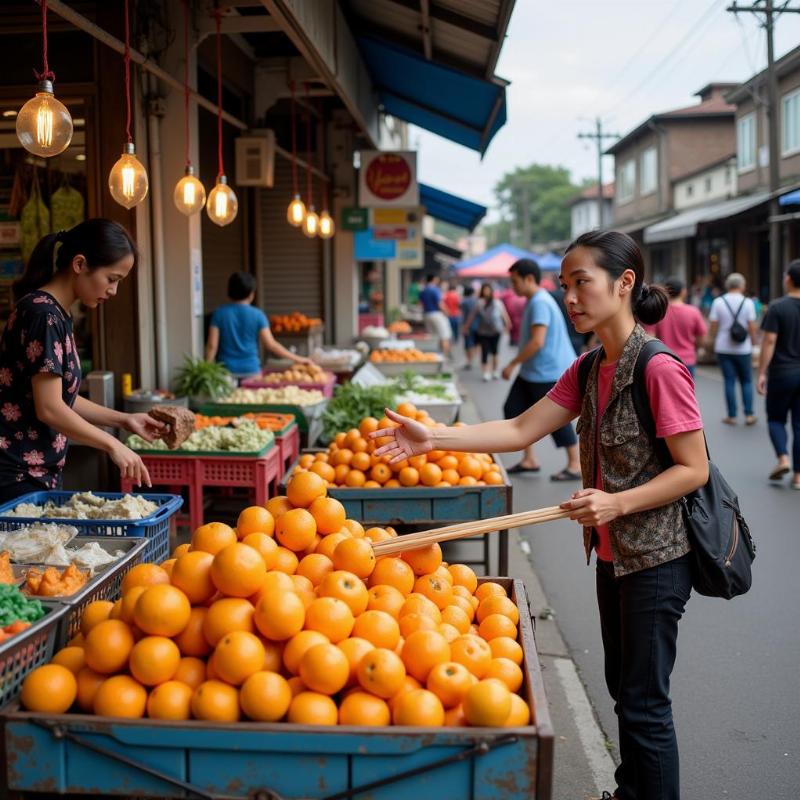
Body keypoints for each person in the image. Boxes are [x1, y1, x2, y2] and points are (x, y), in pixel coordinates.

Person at [372, 230, 708, 800]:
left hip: (656, 559)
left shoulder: (657, 369)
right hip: (612, 555)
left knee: (646, 705)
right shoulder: (588, 367)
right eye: (564, 286)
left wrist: (615, 501)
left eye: (582, 283)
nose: (571, 297)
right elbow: (519, 429)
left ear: (624, 283)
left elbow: (694, 469)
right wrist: (434, 437)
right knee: (622, 690)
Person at [0, 219, 164, 502]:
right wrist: (112, 445)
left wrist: (124, 421)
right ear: (79, 264)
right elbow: (50, 408)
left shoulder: (58, 314)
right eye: (112, 279)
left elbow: (63, 398)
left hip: (35, 472)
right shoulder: (43, 315)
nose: (113, 291)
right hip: (17, 474)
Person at [500, 258, 580, 481]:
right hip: (533, 372)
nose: (512, 286)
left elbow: (537, 341)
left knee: (554, 419)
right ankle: (529, 459)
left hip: (547, 372)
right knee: (513, 408)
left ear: (528, 279)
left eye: (515, 281)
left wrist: (511, 364)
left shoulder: (540, 303)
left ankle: (575, 464)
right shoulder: (533, 300)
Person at [205, 271, 310, 379]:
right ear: (251, 294)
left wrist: (207, 371)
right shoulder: (258, 315)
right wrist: (299, 359)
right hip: (251, 371)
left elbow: (212, 346)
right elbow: (271, 345)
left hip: (226, 372)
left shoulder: (219, 314)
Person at [757, 260, 800, 489]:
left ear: (788, 279)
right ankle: (798, 477)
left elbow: (770, 340)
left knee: (776, 419)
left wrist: (762, 372)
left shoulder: (777, 307)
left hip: (783, 373)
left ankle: (783, 458)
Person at [708, 273, 758, 425]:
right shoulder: (748, 302)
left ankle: (732, 416)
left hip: (723, 347)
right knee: (747, 381)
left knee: (729, 381)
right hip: (743, 348)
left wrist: (713, 339)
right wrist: (754, 342)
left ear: (728, 285)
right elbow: (751, 326)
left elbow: (714, 326)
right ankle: (749, 415)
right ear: (742, 286)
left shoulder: (718, 302)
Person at [648, 277, 707, 378]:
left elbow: (650, 337)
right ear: (683, 292)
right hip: (687, 360)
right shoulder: (693, 312)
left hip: (662, 360)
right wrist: (698, 348)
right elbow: (701, 337)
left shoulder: (657, 311)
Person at [463, 283, 510, 382]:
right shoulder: (479, 303)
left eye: (488, 290)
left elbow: (504, 315)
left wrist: (507, 325)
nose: (486, 292)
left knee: (495, 351)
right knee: (484, 352)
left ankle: (495, 370)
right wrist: (466, 327)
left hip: (496, 331)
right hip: (483, 332)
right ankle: (486, 372)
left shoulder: (497, 302)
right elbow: (472, 316)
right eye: (485, 290)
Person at [419, 274, 452, 359]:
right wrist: (447, 312)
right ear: (434, 279)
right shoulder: (435, 289)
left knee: (434, 337)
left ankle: (435, 357)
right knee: (444, 336)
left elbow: (420, 303)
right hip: (436, 314)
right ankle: (444, 357)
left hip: (427, 314)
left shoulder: (423, 290)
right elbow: (440, 303)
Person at [459, 285, 479, 370]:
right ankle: (472, 359)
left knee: (468, 344)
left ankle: (469, 361)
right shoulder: (476, 301)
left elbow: (463, 315)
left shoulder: (464, 302)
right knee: (475, 343)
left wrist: (464, 327)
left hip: (467, 325)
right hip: (477, 325)